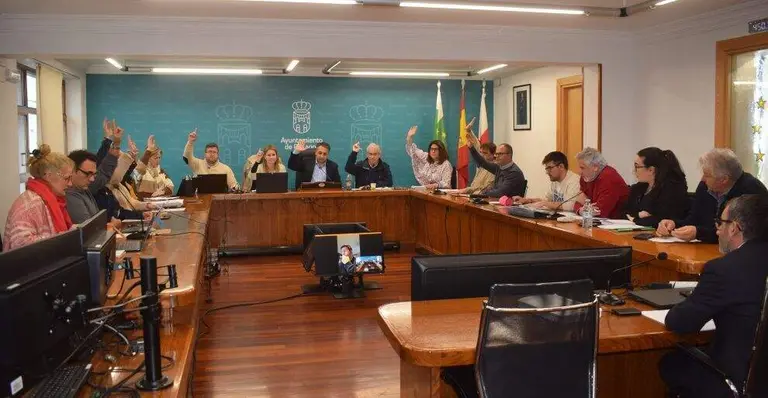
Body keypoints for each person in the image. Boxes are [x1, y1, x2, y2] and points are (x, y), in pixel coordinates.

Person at [660, 194, 768, 398]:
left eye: (720, 223)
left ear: (734, 228)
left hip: (736, 380)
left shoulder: (724, 270)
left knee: (671, 362)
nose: (717, 230)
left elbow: (679, 322)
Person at [657, 148, 767, 243]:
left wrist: (699, 233)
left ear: (724, 179)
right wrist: (674, 224)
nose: (703, 179)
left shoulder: (752, 191)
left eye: (707, 175)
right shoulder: (704, 187)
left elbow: (744, 233)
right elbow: (694, 220)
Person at [4, 145, 75, 251]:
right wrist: (63, 236)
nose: (70, 184)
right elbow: (19, 245)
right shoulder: (31, 203)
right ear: (48, 176)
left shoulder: (50, 198)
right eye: (67, 178)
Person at [66, 118, 124, 223]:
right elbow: (88, 230)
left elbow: (103, 170)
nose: (92, 179)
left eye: (94, 174)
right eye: (88, 174)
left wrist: (115, 142)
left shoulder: (85, 188)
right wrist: (109, 227)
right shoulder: (71, 195)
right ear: (71, 170)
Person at [625, 147, 689, 228]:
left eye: (637, 167)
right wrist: (638, 215)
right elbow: (624, 211)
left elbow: (662, 220)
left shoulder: (671, 189)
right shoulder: (639, 187)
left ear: (651, 170)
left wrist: (634, 219)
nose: (633, 171)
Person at [464, 123, 526, 198]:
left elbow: (500, 192)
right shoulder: (499, 167)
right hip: (497, 203)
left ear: (509, 155)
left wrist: (483, 192)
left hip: (509, 207)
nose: (496, 156)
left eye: (500, 154)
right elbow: (482, 162)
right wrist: (471, 148)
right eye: (496, 154)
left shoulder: (514, 172)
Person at [512, 151, 581, 211]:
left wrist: (544, 203)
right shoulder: (555, 181)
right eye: (546, 169)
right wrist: (528, 200)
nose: (547, 172)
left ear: (561, 166)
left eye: (550, 168)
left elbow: (570, 206)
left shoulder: (574, 181)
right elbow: (547, 200)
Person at [572, 147, 629, 219]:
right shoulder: (585, 178)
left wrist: (585, 208)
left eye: (582, 168)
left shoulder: (609, 177)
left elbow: (600, 211)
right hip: (599, 222)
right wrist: (581, 210)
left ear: (595, 167)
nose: (579, 172)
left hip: (617, 223)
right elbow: (578, 203)